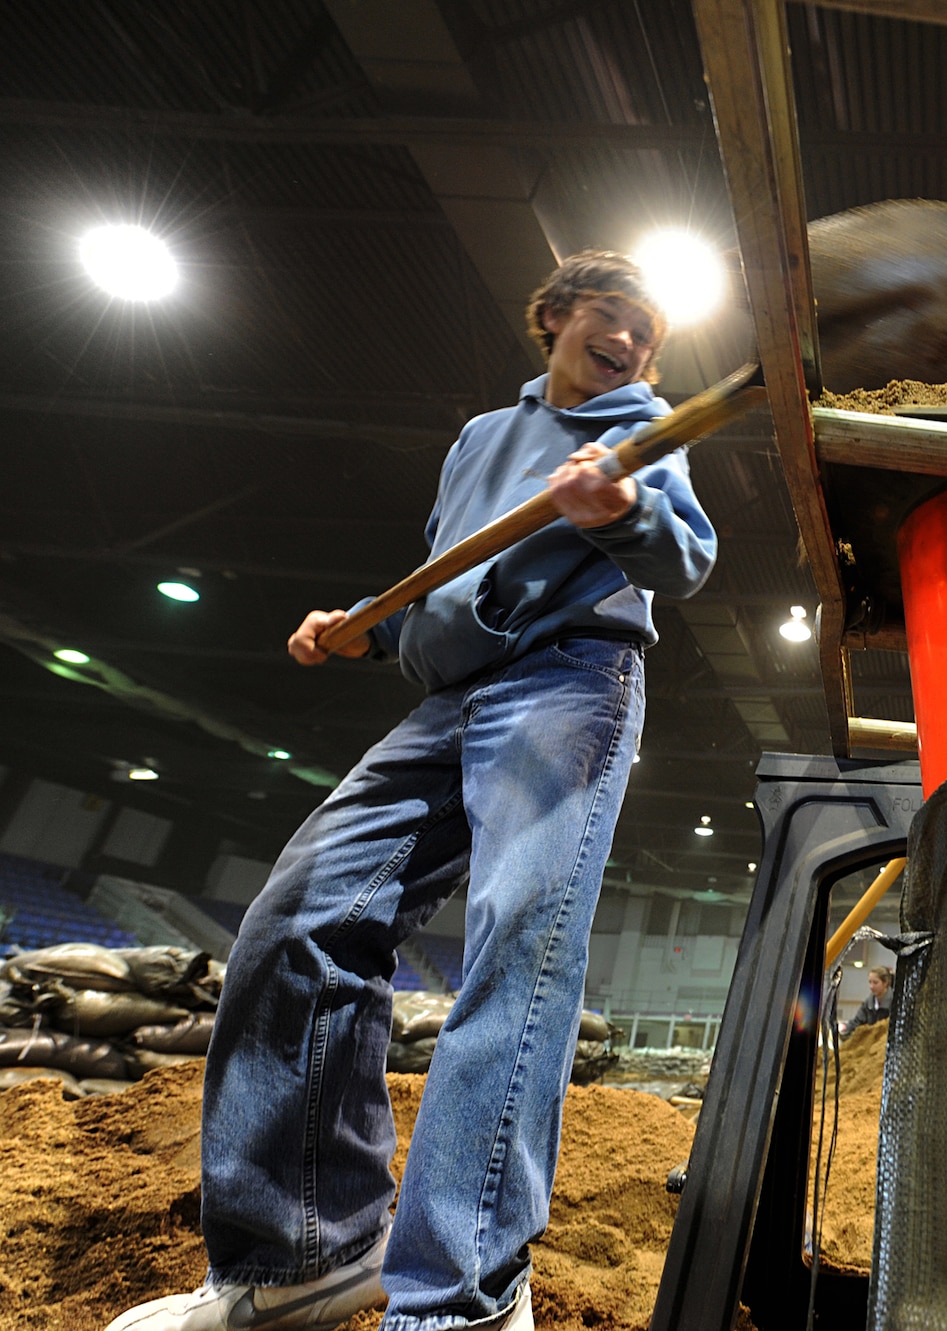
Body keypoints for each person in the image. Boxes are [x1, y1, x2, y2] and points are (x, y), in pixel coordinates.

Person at [109, 251, 717, 1331]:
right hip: (447, 697)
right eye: (611, 313)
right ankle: (305, 1251)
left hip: (568, 677)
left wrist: (619, 508)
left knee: (519, 942)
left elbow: (683, 559)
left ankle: (459, 1297)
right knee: (296, 918)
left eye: (647, 330)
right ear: (553, 316)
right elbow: (448, 573)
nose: (629, 339)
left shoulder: (642, 427)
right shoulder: (482, 437)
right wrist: (368, 625)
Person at [838, 964, 894, 1037]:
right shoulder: (868, 1003)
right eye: (870, 982)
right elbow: (857, 1022)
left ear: (885, 983)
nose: (871, 986)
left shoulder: (895, 1003)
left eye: (875, 982)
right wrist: (844, 1027)